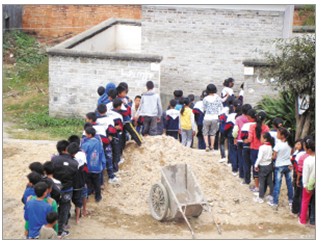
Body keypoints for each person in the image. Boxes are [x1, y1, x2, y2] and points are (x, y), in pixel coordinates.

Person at [51, 140, 78, 237]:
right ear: (66, 149)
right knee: (64, 209)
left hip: (54, 188)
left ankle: (51, 225)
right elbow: (75, 176)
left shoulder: (54, 159)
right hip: (67, 189)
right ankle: (61, 230)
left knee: (53, 206)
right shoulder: (74, 163)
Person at [268, 127, 294, 210]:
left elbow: (274, 156)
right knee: (289, 184)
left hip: (279, 166)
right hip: (288, 165)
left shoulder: (278, 144)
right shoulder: (290, 143)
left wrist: (271, 157)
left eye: (278, 133)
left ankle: (275, 202)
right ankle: (291, 201)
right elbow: (291, 153)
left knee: (277, 185)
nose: (277, 134)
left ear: (282, 135)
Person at [248, 111, 270, 193]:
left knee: (255, 168)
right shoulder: (266, 128)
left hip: (253, 150)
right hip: (263, 150)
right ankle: (263, 186)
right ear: (264, 119)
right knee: (263, 167)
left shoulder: (252, 126)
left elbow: (250, 139)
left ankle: (257, 187)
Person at [67, 141, 88, 224]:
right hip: (81, 180)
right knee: (81, 197)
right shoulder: (82, 154)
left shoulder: (72, 161)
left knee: (73, 199)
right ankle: (81, 214)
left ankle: (76, 216)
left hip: (75, 183)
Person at [81, 127, 104, 203]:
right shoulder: (99, 143)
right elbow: (101, 154)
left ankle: (88, 194)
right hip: (97, 167)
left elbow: (82, 155)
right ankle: (98, 196)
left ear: (89, 135)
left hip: (88, 167)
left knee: (88, 181)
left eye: (86, 133)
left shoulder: (86, 144)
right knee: (97, 182)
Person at [253, 132, 274, 204]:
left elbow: (259, 158)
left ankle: (261, 197)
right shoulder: (270, 146)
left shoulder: (262, 147)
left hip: (263, 166)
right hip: (269, 165)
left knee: (261, 182)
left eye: (261, 137)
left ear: (265, 139)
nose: (260, 139)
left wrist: (256, 165)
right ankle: (271, 194)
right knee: (269, 181)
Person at [299, 136, 315, 225]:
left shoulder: (307, 160)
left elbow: (305, 175)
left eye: (304, 146)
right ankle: (313, 219)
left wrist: (305, 185)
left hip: (309, 184)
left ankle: (303, 220)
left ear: (308, 149)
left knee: (305, 202)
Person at [233, 104, 252, 180]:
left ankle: (241, 174)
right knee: (248, 159)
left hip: (240, 140)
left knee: (241, 157)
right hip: (249, 140)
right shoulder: (251, 119)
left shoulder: (238, 118)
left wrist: (235, 138)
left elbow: (235, 130)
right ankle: (248, 175)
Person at [203, 84, 223, 152]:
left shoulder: (205, 98)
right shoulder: (218, 98)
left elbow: (204, 108)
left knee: (205, 132)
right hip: (215, 117)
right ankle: (212, 147)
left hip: (207, 117)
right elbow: (221, 107)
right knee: (213, 133)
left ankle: (207, 146)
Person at [225, 99, 242, 175]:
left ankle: (234, 168)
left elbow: (227, 126)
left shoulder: (231, 116)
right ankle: (240, 168)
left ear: (233, 107)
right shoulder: (243, 116)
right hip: (241, 136)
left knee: (233, 151)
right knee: (240, 152)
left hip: (232, 135)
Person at [240, 109, 256, 185]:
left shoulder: (246, 125)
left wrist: (246, 140)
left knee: (246, 164)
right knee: (255, 164)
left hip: (246, 147)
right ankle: (256, 181)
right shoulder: (258, 125)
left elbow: (242, 136)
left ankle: (247, 180)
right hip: (256, 147)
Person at [291, 139, 305, 215]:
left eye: (299, 144)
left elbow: (297, 166)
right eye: (296, 144)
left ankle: (296, 210)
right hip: (297, 173)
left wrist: (297, 177)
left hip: (298, 175)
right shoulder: (297, 152)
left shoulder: (301, 154)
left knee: (297, 193)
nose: (296, 146)